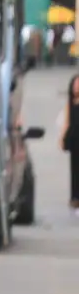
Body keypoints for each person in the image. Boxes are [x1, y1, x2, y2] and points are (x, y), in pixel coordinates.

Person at [64, 73, 79, 212]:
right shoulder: (70, 103)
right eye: (75, 85)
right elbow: (67, 122)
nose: (77, 87)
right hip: (74, 140)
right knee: (74, 170)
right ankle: (75, 197)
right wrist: (63, 138)